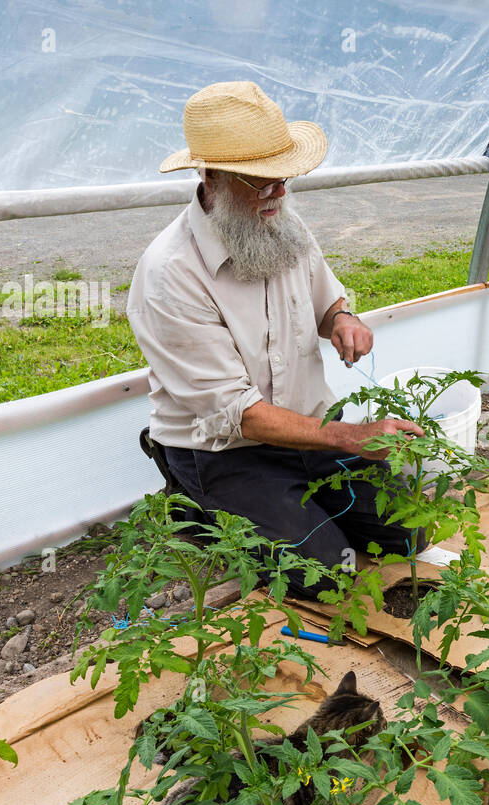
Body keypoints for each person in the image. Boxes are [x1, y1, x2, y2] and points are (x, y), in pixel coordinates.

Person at [126, 80, 423, 597]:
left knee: (409, 531)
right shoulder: (170, 274)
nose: (279, 192)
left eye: (283, 177)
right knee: (329, 574)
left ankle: (292, 507)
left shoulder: (282, 223)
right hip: (227, 450)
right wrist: (353, 437)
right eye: (260, 180)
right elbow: (242, 415)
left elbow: (327, 302)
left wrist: (344, 321)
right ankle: (194, 505)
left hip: (308, 431)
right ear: (211, 175)